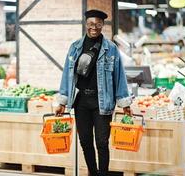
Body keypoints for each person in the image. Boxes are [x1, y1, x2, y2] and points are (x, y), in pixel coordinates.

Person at [55, 9, 132, 176]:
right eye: (91, 24)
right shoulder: (75, 47)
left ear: (102, 25)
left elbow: (119, 76)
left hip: (102, 102)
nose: (94, 28)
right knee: (85, 142)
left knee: (102, 143)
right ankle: (92, 172)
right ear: (85, 24)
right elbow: (67, 75)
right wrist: (62, 101)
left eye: (98, 24)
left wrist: (124, 102)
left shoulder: (110, 49)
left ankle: (102, 173)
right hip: (81, 101)